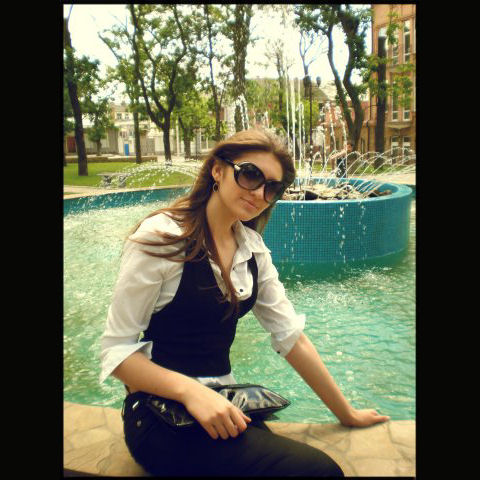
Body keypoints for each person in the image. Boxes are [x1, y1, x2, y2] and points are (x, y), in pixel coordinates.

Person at [99, 129, 389, 477]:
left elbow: (291, 338)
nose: (259, 193)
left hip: (222, 404)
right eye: (250, 175)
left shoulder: (251, 248)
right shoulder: (163, 238)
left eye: (272, 188)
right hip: (159, 416)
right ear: (217, 170)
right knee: (319, 471)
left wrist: (346, 413)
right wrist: (191, 392)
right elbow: (116, 352)